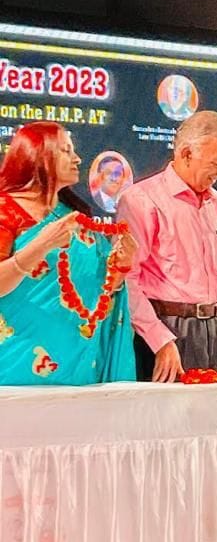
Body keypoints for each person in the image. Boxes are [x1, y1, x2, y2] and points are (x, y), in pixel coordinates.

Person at [118, 111, 217, 382]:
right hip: (167, 330)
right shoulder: (141, 200)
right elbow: (127, 280)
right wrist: (159, 340)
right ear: (187, 154)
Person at [0, 122, 136, 384]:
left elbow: (95, 292)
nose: (77, 159)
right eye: (66, 150)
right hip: (17, 362)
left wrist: (120, 268)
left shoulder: (75, 216)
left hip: (78, 363)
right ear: (37, 155)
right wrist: (40, 245)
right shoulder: (6, 210)